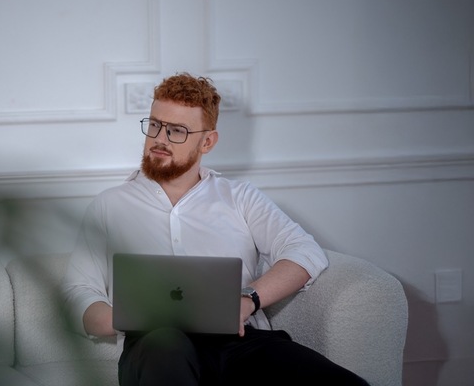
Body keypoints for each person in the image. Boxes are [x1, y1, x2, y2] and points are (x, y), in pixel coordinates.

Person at [61, 73, 369, 385]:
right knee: (165, 349)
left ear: (207, 141)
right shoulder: (109, 205)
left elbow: (303, 250)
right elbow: (78, 291)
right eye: (154, 125)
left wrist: (247, 300)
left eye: (176, 131)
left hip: (240, 342)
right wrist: (127, 316)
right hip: (156, 345)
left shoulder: (240, 197)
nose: (159, 139)